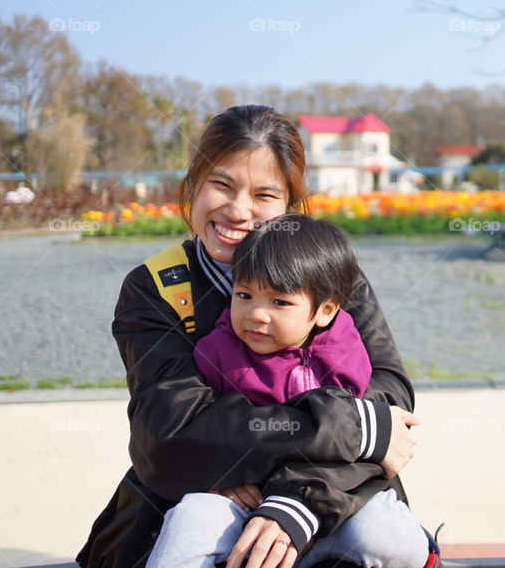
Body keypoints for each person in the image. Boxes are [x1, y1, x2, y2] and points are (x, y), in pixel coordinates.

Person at [77, 105, 431, 568]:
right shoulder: (157, 288)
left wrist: (296, 498)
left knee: (388, 541)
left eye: (264, 195)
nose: (238, 210)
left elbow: (389, 401)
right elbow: (168, 438)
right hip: (199, 497)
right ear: (193, 186)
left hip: (330, 492)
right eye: (221, 185)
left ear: (291, 207)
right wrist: (352, 430)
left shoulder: (329, 277)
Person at [146, 214, 429, 568]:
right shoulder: (216, 353)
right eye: (244, 295)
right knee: (191, 522)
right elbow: (202, 430)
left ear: (324, 310)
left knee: (389, 537)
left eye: (279, 302)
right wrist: (218, 472)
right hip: (243, 499)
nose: (257, 315)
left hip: (335, 500)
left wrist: (296, 503)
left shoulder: (345, 351)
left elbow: (366, 450)